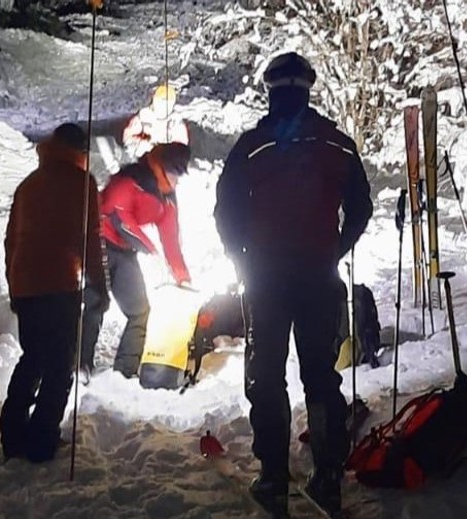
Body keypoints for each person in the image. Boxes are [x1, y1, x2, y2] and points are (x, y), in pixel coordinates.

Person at [214, 52, 373, 516]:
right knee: (321, 375)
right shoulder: (337, 144)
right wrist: (336, 248)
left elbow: (226, 211)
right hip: (318, 276)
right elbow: (360, 207)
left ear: (271, 90)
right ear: (308, 89)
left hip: (266, 280)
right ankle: (328, 476)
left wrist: (242, 257)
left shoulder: (252, 145)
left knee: (266, 376)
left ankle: (273, 477)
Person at [0, 123, 105, 463]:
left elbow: (11, 240)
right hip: (59, 283)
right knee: (60, 364)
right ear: (81, 151)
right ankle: (42, 439)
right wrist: (99, 285)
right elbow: (89, 239)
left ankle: (12, 432)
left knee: (33, 358)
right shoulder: (82, 183)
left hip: (26, 283)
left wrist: (14, 285)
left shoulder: (29, 184)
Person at [80, 142, 193, 378]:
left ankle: (124, 372)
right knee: (95, 302)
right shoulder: (131, 179)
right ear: (162, 167)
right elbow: (118, 216)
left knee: (140, 311)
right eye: (174, 173)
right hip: (99, 241)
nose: (177, 180)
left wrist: (182, 277)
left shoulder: (167, 199)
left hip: (125, 251)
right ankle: (79, 365)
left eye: (180, 175)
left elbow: (171, 239)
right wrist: (150, 251)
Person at [121, 84, 190, 158]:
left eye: (167, 104)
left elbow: (182, 146)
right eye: (161, 103)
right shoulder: (143, 116)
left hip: (165, 158)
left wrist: (168, 151)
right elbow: (127, 137)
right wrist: (141, 144)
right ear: (154, 101)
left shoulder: (176, 120)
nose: (163, 107)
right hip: (144, 157)